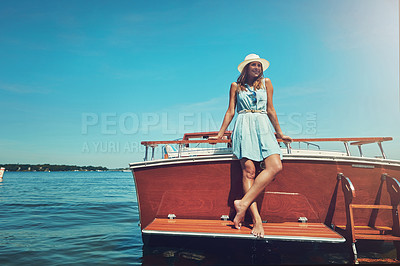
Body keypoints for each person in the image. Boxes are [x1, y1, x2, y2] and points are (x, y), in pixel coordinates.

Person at [212, 53, 292, 238]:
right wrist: (220, 133)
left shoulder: (267, 83)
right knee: (249, 172)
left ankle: (242, 203)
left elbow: (271, 109)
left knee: (275, 166)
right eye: (253, 65)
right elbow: (231, 111)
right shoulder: (235, 86)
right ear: (246, 68)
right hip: (244, 125)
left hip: (263, 124)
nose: (257, 68)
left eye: (259, 65)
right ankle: (256, 219)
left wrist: (279, 133)